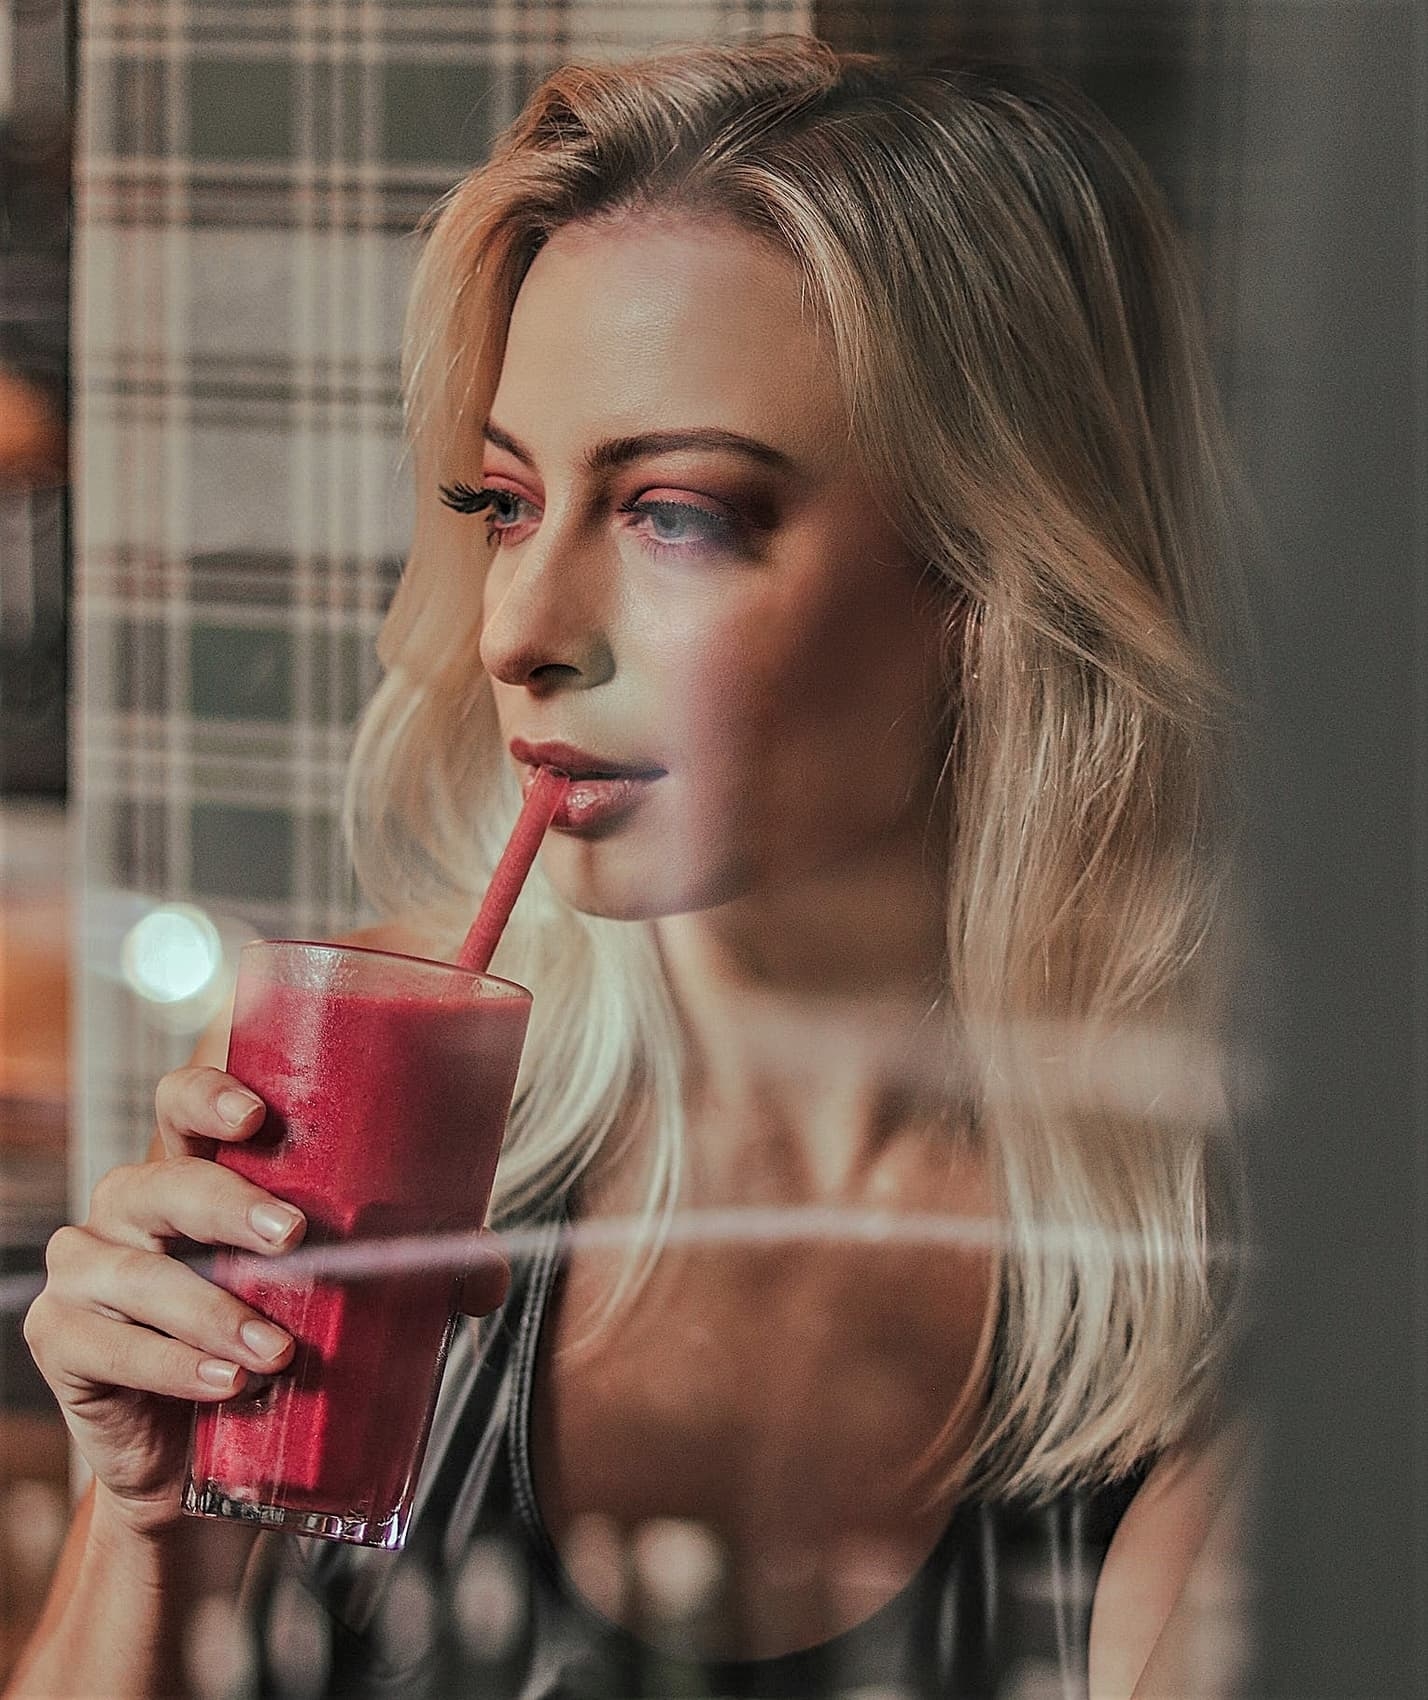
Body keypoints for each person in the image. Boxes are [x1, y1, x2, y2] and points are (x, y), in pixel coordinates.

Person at [9, 35, 1256, 1700]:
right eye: (507, 502)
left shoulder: (1221, 1273)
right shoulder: (385, 1131)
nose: (518, 629)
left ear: (995, 573)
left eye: (676, 513)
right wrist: (146, 1525)